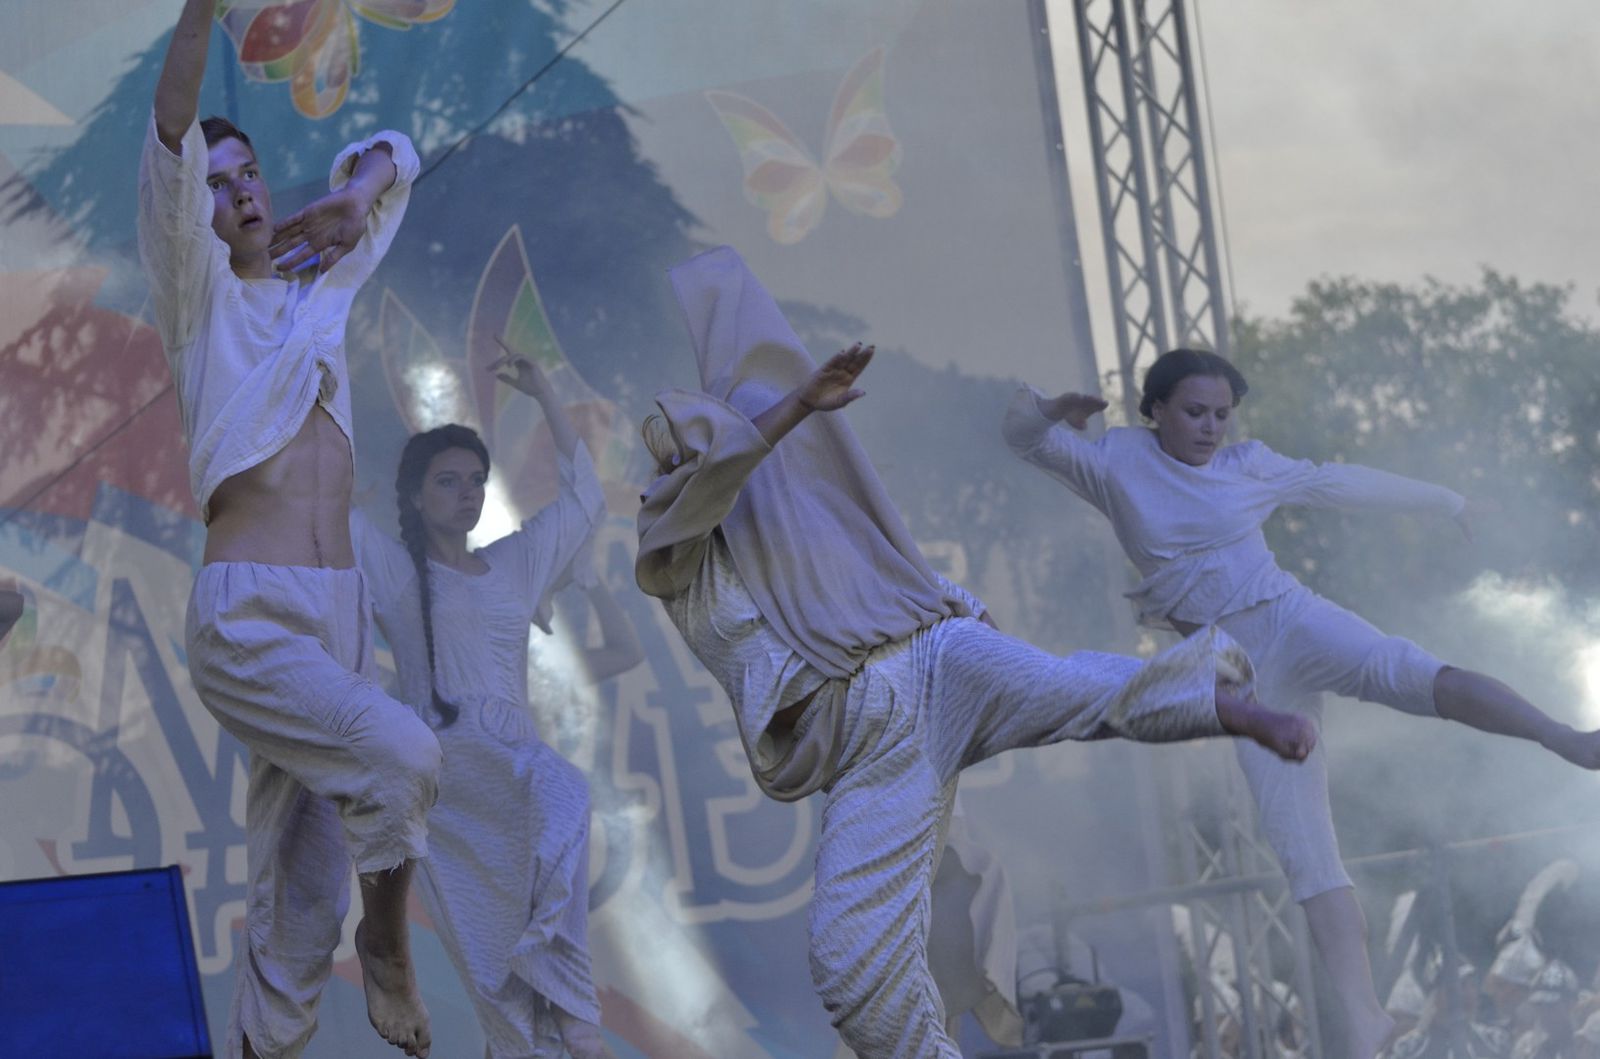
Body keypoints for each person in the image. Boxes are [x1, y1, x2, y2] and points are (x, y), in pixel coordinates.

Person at [634, 247, 1315, 1058]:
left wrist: (957, 602)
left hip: (934, 658)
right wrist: (795, 406)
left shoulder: (805, 507)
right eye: (687, 447)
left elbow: (872, 552)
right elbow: (721, 469)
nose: (747, 449)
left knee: (1073, 690)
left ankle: (1220, 697)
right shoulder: (677, 546)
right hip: (866, 746)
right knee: (849, 965)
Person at [1002, 347, 1600, 1059]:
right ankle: (1366, 1015)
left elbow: (1339, 483)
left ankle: (1562, 736)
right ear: (1155, 409)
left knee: (1411, 672)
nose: (1211, 427)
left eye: (1222, 414)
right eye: (1194, 412)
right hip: (1239, 671)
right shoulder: (1115, 463)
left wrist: (1448, 502)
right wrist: (1050, 410)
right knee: (1304, 849)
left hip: (1294, 619)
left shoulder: (1248, 465)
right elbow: (1023, 436)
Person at [137, 1, 438, 1055]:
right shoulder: (199, 303)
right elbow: (172, 123)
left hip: (336, 620)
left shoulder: (320, 282)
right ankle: (388, 945)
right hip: (250, 619)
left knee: (300, 901)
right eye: (218, 187)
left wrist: (354, 193)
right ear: (197, 213)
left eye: (251, 174)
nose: (242, 193)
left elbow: (396, 154)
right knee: (402, 756)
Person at [351, 345, 614, 1059]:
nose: (466, 494)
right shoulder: (394, 570)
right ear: (415, 496)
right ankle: (563, 1024)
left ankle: (571, 1015)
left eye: (475, 481)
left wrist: (545, 391)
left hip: (513, 765)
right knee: (498, 981)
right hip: (450, 778)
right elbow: (321, 514)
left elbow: (585, 502)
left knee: (562, 795)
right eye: (448, 481)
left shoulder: (513, 563)